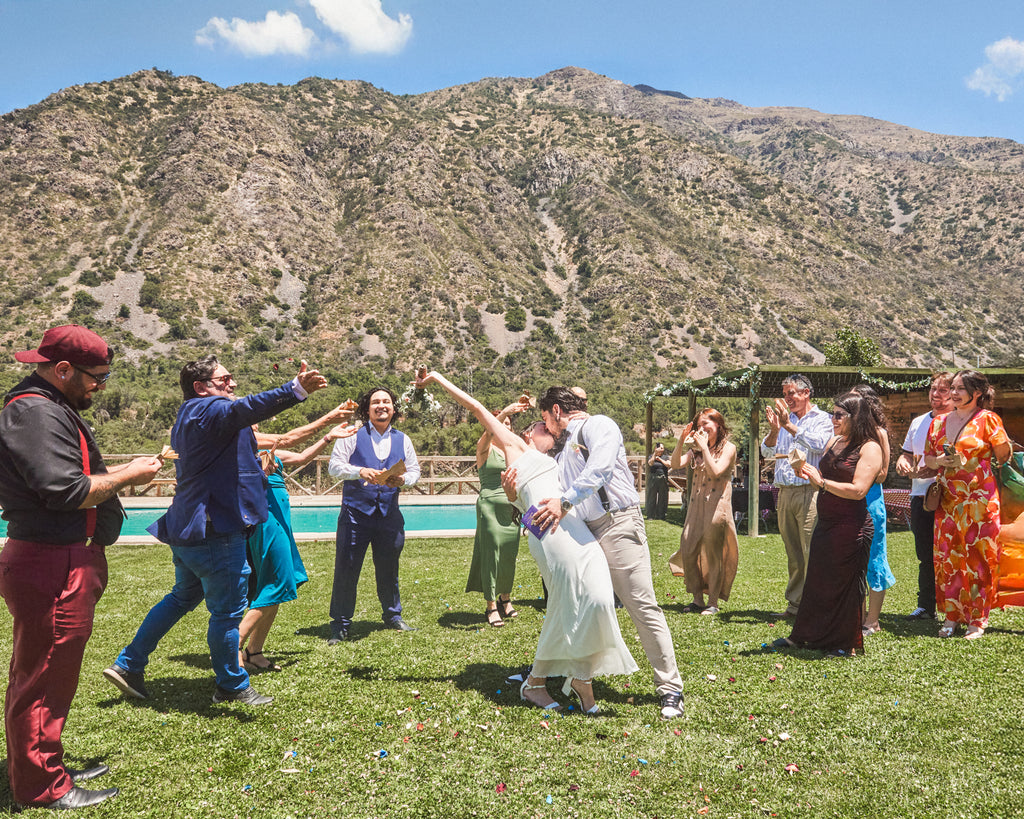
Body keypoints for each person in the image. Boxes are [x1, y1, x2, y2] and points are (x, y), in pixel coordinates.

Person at [0, 325, 163, 810]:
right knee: (44, 675)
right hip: (52, 562)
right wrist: (129, 473)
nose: (102, 385)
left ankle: (44, 763)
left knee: (48, 671)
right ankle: (42, 786)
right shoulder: (32, 413)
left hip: (64, 558)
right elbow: (66, 491)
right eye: (97, 376)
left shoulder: (49, 408)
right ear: (63, 369)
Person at [104, 356, 327, 707]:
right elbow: (249, 409)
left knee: (181, 598)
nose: (232, 384)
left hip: (190, 529)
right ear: (201, 386)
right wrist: (295, 389)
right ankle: (231, 685)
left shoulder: (192, 414)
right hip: (214, 530)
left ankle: (129, 663)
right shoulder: (207, 410)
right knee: (227, 612)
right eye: (225, 379)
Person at [415, 371, 636, 714]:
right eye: (541, 427)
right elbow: (475, 407)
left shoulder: (559, 459)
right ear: (526, 434)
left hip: (577, 531)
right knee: (567, 603)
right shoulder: (517, 450)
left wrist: (518, 498)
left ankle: (576, 677)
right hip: (553, 537)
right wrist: (438, 379)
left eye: (548, 425)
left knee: (598, 598)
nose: (548, 429)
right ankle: (544, 683)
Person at [530, 387, 685, 720]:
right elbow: (551, 491)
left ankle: (671, 688)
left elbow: (598, 470)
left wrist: (564, 502)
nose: (546, 426)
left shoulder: (600, 425)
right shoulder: (560, 451)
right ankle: (568, 675)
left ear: (556, 411)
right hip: (584, 533)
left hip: (617, 525)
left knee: (641, 605)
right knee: (587, 604)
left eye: (545, 419)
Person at [239, 408, 357, 671]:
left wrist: (329, 437)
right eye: (252, 423)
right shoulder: (241, 447)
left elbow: (303, 455)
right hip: (266, 521)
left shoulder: (269, 450)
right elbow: (284, 442)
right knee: (277, 582)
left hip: (280, 520)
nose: (256, 427)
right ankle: (232, 647)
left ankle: (254, 651)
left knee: (277, 584)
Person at [774, 392, 884, 656]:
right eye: (832, 413)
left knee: (844, 585)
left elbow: (858, 490)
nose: (832, 419)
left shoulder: (870, 447)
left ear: (855, 417)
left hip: (851, 525)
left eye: (838, 415)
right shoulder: (835, 441)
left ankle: (844, 643)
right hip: (827, 521)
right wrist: (807, 471)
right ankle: (805, 635)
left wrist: (821, 483)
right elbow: (825, 473)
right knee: (818, 581)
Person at [327, 387, 420, 643]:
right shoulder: (352, 434)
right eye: (376, 402)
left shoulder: (403, 439)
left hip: (389, 514)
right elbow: (334, 466)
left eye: (386, 402)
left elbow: (414, 471)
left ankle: (393, 616)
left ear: (393, 408)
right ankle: (341, 623)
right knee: (347, 569)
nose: (382, 406)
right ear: (367, 408)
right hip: (356, 514)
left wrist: (403, 479)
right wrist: (360, 471)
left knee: (389, 568)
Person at [924, 369, 1010, 639]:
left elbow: (1003, 457)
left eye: (960, 388)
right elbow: (927, 458)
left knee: (980, 558)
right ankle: (951, 617)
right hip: (948, 499)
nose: (954, 392)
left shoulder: (989, 420)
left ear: (977, 393)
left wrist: (994, 445)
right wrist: (939, 461)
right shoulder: (938, 423)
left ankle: (978, 619)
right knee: (948, 557)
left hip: (979, 500)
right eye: (953, 387)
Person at [760, 374, 834, 618]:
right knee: (793, 553)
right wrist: (774, 429)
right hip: (785, 492)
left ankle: (817, 608)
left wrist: (789, 426)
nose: (787, 398)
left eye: (791, 393)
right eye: (785, 394)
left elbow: (820, 444)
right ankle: (795, 606)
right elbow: (766, 450)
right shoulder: (783, 420)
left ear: (806, 393)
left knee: (812, 550)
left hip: (809, 492)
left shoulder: (823, 419)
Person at [668, 409, 739, 616]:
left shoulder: (729, 448)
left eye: (706, 424)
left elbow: (716, 471)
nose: (702, 429)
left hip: (717, 506)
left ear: (718, 425)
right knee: (688, 548)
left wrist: (704, 449)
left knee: (713, 554)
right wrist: (681, 441)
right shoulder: (696, 450)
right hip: (696, 505)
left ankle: (713, 602)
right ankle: (697, 598)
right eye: (699, 425)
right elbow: (674, 464)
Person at [894, 372, 953, 620]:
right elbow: (907, 453)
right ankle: (926, 606)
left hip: (951, 496)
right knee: (925, 554)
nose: (935, 395)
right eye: (932, 389)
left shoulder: (959, 422)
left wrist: (935, 467)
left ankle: (954, 607)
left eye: (942, 390)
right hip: (920, 495)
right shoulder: (918, 422)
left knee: (951, 553)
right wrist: (902, 463)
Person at [467, 399, 530, 628]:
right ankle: (491, 606)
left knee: (508, 555)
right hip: (490, 506)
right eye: (502, 424)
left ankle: (506, 598)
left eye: (510, 425)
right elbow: (488, 432)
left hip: (512, 507)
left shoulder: (514, 452)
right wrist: (503, 413)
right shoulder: (484, 448)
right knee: (491, 553)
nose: (507, 428)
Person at [849, 385, 896, 636]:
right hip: (847, 501)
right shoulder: (847, 433)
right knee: (853, 559)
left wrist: (856, 472)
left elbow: (883, 474)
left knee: (874, 559)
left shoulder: (879, 433)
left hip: (870, 501)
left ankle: (873, 620)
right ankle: (856, 615)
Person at [645, 443, 670, 520]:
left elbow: (668, 465)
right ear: (655, 448)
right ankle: (650, 515)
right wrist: (655, 454)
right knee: (652, 496)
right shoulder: (651, 456)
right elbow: (650, 463)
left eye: (662, 448)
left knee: (663, 497)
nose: (661, 449)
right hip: (653, 477)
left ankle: (661, 515)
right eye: (660, 448)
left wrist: (660, 460)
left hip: (663, 477)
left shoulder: (665, 457)